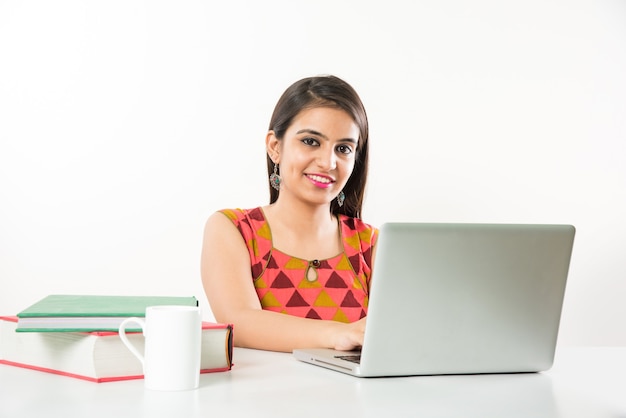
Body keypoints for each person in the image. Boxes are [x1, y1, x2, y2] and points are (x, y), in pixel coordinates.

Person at [201, 75, 378, 353]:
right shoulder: (233, 229)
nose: (327, 162)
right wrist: (338, 334)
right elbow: (238, 322)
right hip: (261, 395)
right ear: (275, 146)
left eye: (343, 149)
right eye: (310, 141)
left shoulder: (372, 244)